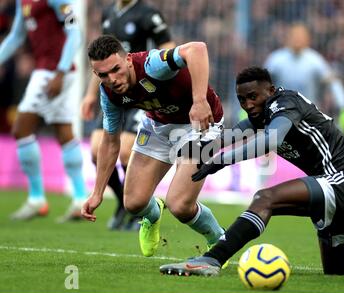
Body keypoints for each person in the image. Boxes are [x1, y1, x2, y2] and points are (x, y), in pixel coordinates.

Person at [159, 67, 344, 280]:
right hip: (338, 189)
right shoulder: (262, 114)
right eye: (242, 99)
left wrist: (223, 162)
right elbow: (231, 136)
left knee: (265, 198)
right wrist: (194, 152)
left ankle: (211, 260)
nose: (248, 104)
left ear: (270, 91)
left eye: (253, 97)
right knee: (337, 269)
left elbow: (269, 142)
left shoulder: (284, 104)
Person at [81, 35, 227, 260]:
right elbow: (110, 142)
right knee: (133, 203)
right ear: (95, 74)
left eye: (116, 69)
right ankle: (153, 213)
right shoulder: (108, 94)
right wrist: (97, 193)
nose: (112, 79)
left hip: (201, 123)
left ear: (128, 60)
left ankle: (218, 240)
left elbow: (197, 49)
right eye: (103, 75)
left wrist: (199, 101)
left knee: (180, 206)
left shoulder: (152, 65)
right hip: (158, 126)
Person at [81, 0, 176, 230]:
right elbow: (103, 62)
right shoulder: (108, 14)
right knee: (96, 152)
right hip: (113, 93)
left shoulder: (148, 13)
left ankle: (138, 208)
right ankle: (127, 204)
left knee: (124, 151)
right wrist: (90, 94)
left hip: (138, 90)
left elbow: (169, 47)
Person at [0, 0, 87, 221]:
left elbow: (75, 32)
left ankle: (37, 198)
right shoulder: (23, 1)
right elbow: (17, 36)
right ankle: (80, 199)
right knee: (64, 132)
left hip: (53, 73)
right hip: (52, 71)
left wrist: (60, 71)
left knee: (21, 129)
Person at [264, 23, 344, 134]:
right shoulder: (276, 60)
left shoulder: (315, 60)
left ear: (308, 39)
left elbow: (333, 82)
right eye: (294, 36)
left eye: (301, 36)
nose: (297, 40)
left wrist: (343, 106)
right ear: (288, 38)